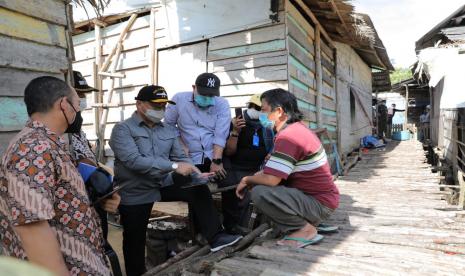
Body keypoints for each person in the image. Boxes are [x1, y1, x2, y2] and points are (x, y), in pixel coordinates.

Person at [109, 85, 242, 276]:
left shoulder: (168, 130)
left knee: (197, 187)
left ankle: (215, 236)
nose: (161, 110)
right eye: (156, 105)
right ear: (139, 104)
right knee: (134, 241)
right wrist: (173, 167)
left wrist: (196, 172)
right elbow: (134, 161)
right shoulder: (123, 129)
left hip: (163, 184)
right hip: (136, 190)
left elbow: (181, 157)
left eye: (164, 105)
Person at [0, 76, 110, 275]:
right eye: (78, 105)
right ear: (63, 104)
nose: (79, 112)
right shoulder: (34, 147)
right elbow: (31, 224)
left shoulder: (47, 143)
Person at [236, 88, 340, 248]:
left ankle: (304, 229)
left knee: (260, 192)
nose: (261, 115)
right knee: (263, 180)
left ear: (279, 112)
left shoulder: (288, 136)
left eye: (263, 110)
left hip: (320, 204)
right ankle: (307, 222)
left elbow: (271, 180)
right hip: (322, 200)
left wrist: (246, 179)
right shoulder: (297, 129)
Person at [221, 94, 273, 234]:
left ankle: (252, 227)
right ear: (249, 107)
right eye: (255, 107)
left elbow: (273, 145)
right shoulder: (236, 123)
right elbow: (229, 152)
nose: (258, 111)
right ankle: (235, 228)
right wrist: (235, 132)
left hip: (259, 168)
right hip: (237, 168)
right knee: (239, 196)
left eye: (261, 108)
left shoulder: (267, 125)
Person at [164, 73, 230, 176]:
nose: (207, 97)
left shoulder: (222, 104)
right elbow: (169, 125)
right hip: (187, 156)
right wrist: (180, 145)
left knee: (225, 180)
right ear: (194, 87)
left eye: (211, 95)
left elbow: (220, 134)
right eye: (203, 94)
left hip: (213, 154)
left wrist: (217, 161)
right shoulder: (178, 99)